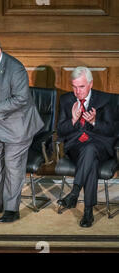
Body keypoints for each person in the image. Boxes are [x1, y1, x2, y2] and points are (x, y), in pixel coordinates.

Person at [0, 35, 44, 223]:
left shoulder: (15, 68)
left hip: (16, 125)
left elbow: (22, 98)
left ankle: (12, 209)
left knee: (13, 168)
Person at [57, 67, 116, 228]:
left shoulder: (105, 99)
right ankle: (88, 211)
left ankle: (74, 194)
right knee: (91, 159)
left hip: (100, 146)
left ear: (90, 84)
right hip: (76, 147)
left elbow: (112, 130)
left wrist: (94, 123)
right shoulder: (66, 100)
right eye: (74, 87)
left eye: (81, 87)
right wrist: (73, 121)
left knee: (90, 150)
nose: (77, 91)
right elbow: (60, 131)